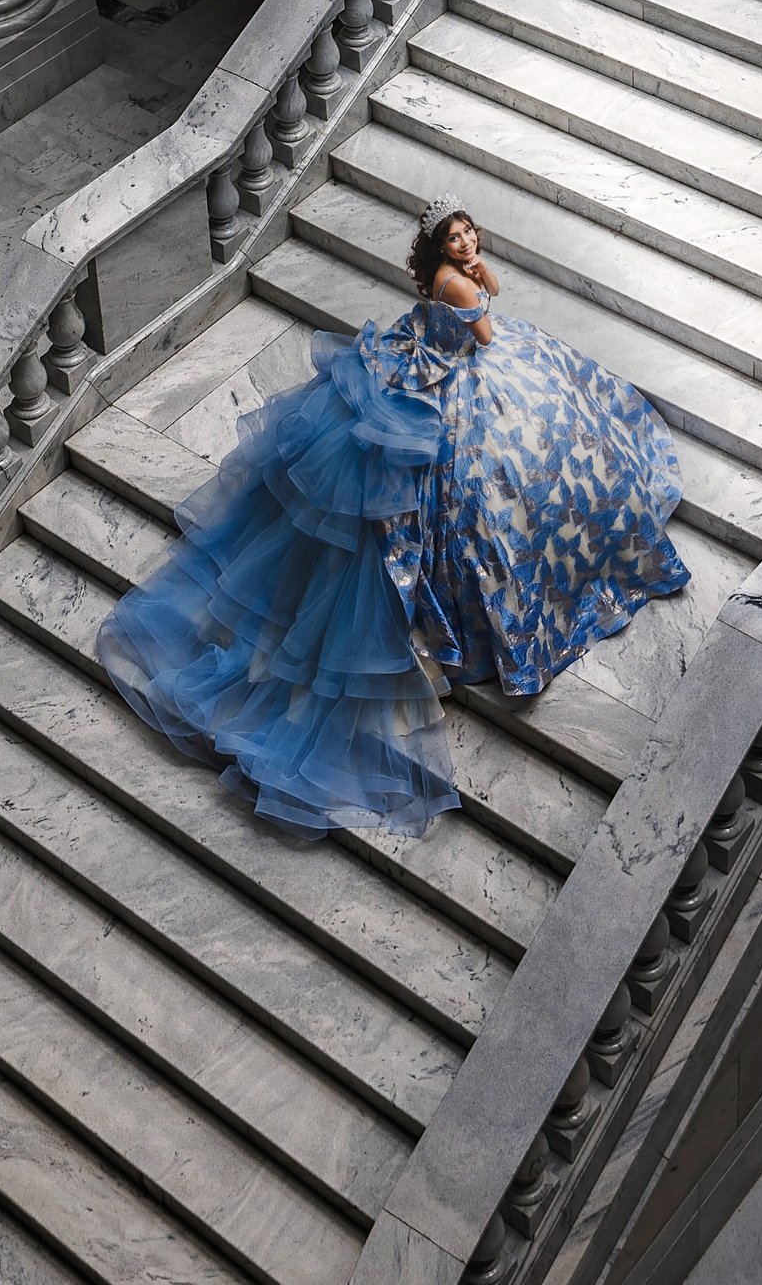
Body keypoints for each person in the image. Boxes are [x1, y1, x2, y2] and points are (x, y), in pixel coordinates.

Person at [97, 204, 690, 840]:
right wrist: (475, 279)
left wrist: (477, 271)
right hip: (458, 376)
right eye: (457, 237)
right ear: (440, 247)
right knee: (509, 462)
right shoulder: (457, 282)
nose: (468, 242)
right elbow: (485, 334)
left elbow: (488, 296)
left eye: (470, 232)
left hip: (433, 357)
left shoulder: (454, 272)